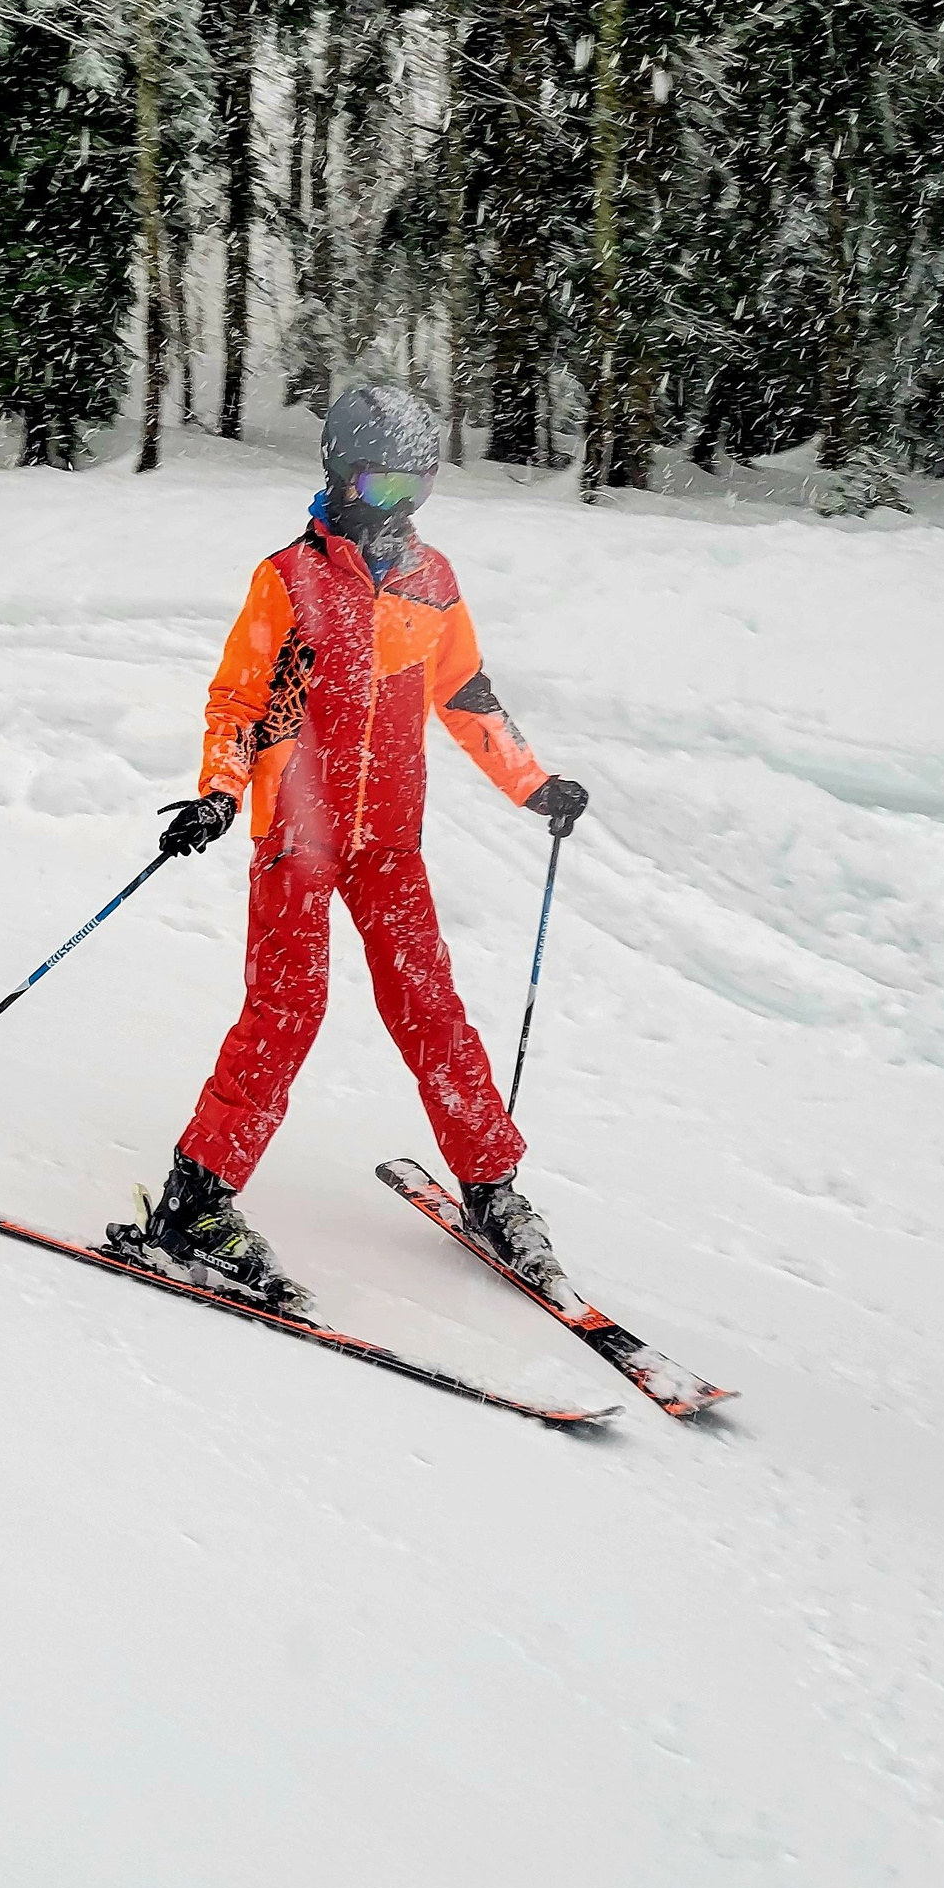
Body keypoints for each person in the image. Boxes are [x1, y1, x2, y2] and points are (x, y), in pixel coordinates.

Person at [113, 382, 588, 1317]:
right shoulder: (288, 577)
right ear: (339, 470)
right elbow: (240, 703)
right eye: (379, 480)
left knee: (431, 1005)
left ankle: (489, 1184)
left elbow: (467, 695)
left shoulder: (432, 579)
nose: (396, 503)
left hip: (390, 842)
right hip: (297, 835)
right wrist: (218, 794)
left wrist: (532, 780)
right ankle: (196, 1199)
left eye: (415, 482)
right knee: (287, 1008)